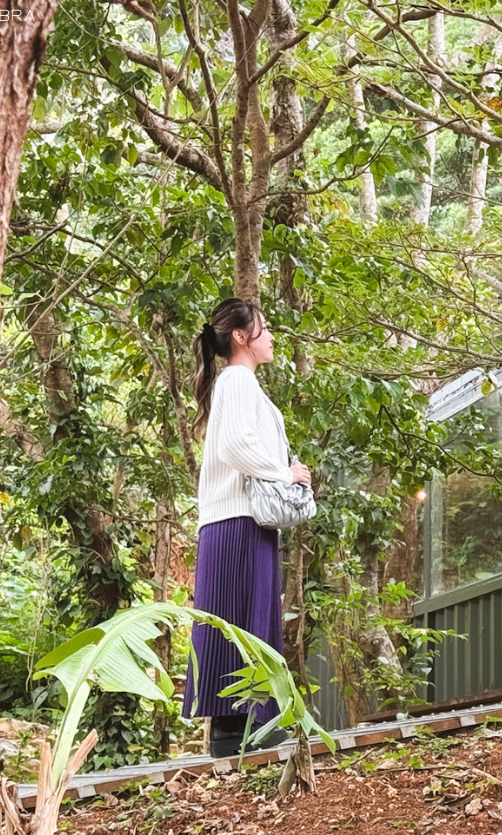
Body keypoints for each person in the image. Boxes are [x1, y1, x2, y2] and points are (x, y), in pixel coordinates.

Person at [183, 298, 311, 757]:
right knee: (240, 619)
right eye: (265, 327)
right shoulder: (237, 381)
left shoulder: (238, 384)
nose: (272, 335)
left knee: (237, 618)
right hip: (236, 520)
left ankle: (233, 730)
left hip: (236, 520)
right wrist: (285, 472)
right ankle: (239, 727)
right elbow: (237, 446)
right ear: (241, 336)